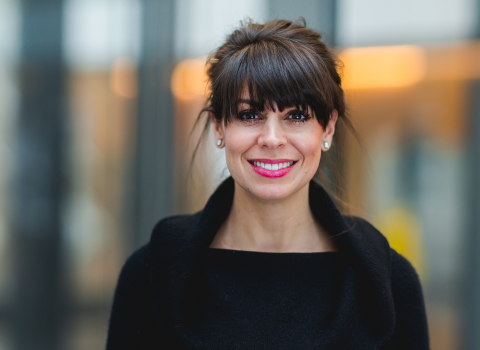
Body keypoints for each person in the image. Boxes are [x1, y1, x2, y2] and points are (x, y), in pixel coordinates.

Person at [106, 19, 429, 349]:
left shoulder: (389, 284)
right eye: (249, 115)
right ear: (218, 126)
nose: (272, 139)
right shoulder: (151, 275)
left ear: (328, 128)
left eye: (297, 115)